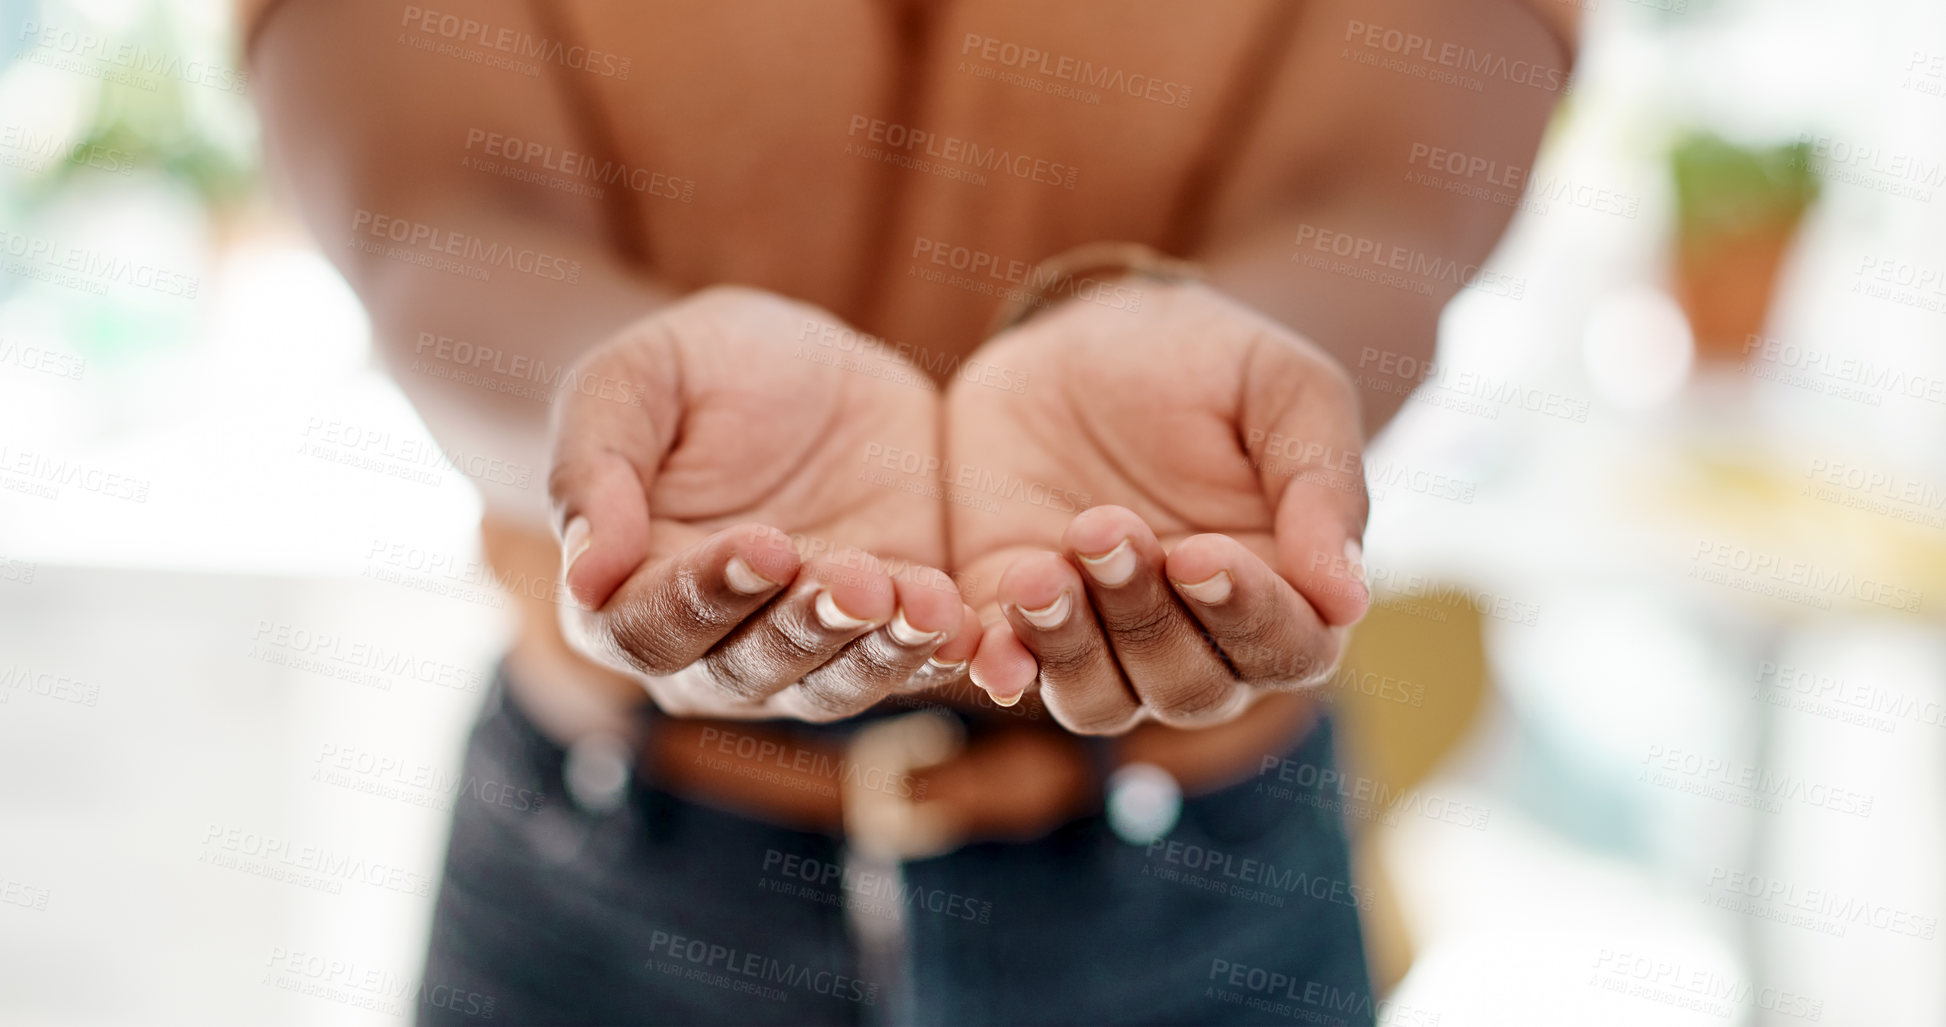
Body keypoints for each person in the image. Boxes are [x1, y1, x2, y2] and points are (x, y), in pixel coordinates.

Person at [245, 1, 1573, 1022]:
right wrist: (611, 425)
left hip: (1191, 865)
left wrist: (1249, 357)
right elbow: (432, 210)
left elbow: (1381, 197)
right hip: (607, 855)